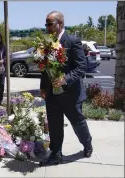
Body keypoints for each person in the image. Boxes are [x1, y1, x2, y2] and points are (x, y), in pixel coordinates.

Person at [39, 11, 93, 166]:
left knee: (78, 124)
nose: (47, 27)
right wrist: (43, 87)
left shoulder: (72, 41)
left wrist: (65, 79)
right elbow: (45, 68)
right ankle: (56, 154)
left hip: (70, 94)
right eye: (46, 24)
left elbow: (82, 66)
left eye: (50, 24)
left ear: (60, 23)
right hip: (52, 94)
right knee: (54, 125)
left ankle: (87, 144)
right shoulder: (46, 43)